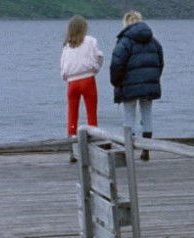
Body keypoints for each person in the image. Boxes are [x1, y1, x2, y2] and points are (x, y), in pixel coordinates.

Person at [110, 10, 164, 161]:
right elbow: (160, 63)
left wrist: (116, 82)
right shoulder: (154, 41)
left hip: (129, 85)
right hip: (149, 85)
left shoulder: (124, 41)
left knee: (129, 117)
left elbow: (117, 64)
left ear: (126, 23)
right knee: (147, 115)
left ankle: (129, 150)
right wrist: (153, 79)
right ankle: (146, 150)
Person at [60, 15, 102, 162]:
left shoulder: (67, 46)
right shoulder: (90, 41)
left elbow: (63, 69)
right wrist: (95, 69)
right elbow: (98, 57)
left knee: (72, 114)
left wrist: (67, 78)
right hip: (87, 79)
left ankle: (72, 149)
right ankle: (94, 146)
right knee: (91, 113)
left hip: (72, 82)